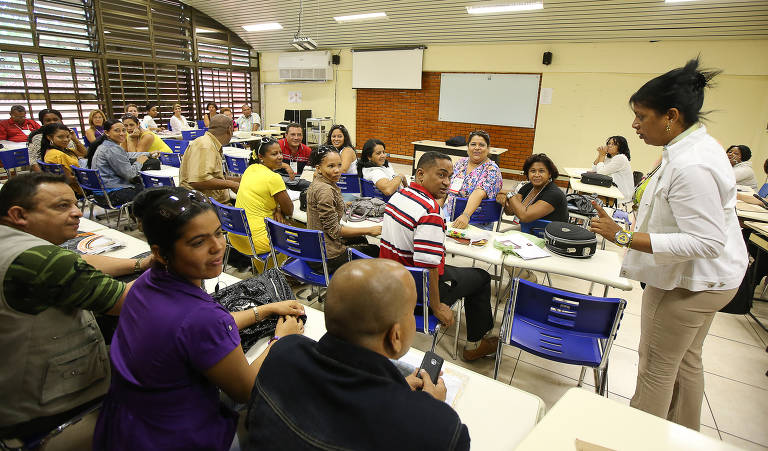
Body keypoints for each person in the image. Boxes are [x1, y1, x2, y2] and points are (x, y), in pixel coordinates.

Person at [589, 58, 748, 431]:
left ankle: (638, 438)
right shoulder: (693, 149)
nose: (634, 125)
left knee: (656, 368)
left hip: (693, 281)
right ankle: (683, 436)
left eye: (641, 116)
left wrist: (622, 236)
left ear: (671, 116)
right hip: (712, 278)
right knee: (687, 360)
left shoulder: (692, 163)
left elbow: (705, 241)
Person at [93, 187, 305, 450]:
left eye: (218, 233)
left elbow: (203, 329)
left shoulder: (145, 284)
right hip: (176, 438)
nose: (217, 247)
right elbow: (246, 389)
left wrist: (265, 309)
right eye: (198, 242)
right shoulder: (201, 318)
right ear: (160, 253)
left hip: (126, 424)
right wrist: (281, 339)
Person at [246, 258, 470, 450]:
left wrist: (398, 389)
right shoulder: (442, 430)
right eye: (411, 312)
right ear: (395, 336)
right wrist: (428, 410)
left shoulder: (283, 352)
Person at [0, 173, 151, 441]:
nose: (76, 213)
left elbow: (80, 261)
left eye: (74, 203)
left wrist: (140, 264)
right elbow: (128, 302)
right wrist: (173, 261)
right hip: (47, 409)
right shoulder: (41, 259)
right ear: (19, 214)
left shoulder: (15, 243)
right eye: (61, 206)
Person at [380, 151, 497, 361]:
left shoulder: (399, 195)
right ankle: (475, 344)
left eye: (450, 177)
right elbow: (429, 267)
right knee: (481, 278)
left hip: (390, 280)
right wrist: (436, 306)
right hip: (414, 290)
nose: (447, 183)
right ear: (421, 174)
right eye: (441, 175)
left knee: (460, 272)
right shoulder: (430, 211)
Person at [306, 146, 381, 273]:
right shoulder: (325, 190)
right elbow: (335, 231)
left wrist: (344, 204)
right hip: (326, 259)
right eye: (330, 166)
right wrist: (370, 230)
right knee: (374, 250)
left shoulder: (318, 182)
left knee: (360, 240)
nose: (337, 170)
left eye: (339, 165)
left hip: (314, 251)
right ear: (318, 168)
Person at [229, 138, 293, 259]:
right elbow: (289, 210)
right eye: (274, 154)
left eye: (280, 153)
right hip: (258, 242)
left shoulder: (249, 169)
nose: (280, 157)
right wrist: (280, 209)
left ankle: (265, 270)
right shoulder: (274, 178)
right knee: (297, 229)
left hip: (236, 237)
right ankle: (282, 274)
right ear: (261, 157)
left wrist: (278, 209)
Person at [445, 130, 503, 230]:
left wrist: (465, 215)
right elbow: (446, 186)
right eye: (473, 144)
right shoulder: (461, 163)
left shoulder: (492, 169)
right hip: (450, 213)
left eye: (481, 145)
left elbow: (479, 193)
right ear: (468, 147)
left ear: (488, 148)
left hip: (475, 221)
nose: (477, 148)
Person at [180, 114, 239, 204]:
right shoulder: (205, 146)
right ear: (229, 130)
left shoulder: (209, 142)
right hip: (202, 205)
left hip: (209, 202)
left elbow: (213, 176)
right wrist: (232, 185)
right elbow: (198, 181)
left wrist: (239, 180)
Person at [87, 119, 147, 206]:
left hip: (100, 194)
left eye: (123, 130)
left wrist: (148, 154)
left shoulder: (105, 145)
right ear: (107, 133)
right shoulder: (112, 149)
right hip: (111, 195)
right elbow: (130, 174)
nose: (122, 133)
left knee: (140, 184)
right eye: (117, 131)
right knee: (149, 188)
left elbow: (125, 155)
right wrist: (139, 162)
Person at [496, 153, 568, 224]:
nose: (536, 175)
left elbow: (525, 216)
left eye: (541, 171)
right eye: (533, 171)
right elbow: (511, 211)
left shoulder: (554, 194)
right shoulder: (528, 187)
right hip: (530, 229)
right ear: (528, 173)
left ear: (549, 174)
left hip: (548, 234)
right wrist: (503, 198)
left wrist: (510, 194)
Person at [39, 123, 83, 194]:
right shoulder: (57, 155)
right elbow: (69, 179)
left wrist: (75, 139)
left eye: (68, 136)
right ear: (49, 137)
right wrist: (87, 177)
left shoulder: (64, 150)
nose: (66, 140)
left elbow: (84, 154)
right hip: (75, 190)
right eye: (60, 137)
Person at [591, 135, 634, 203]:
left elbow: (600, 173)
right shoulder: (610, 157)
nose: (609, 146)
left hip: (621, 194)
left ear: (620, 147)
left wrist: (602, 155)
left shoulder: (621, 158)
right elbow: (594, 170)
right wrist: (600, 155)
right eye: (609, 143)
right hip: (612, 189)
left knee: (591, 196)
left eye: (613, 144)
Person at [276, 122, 312, 190]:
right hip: (278, 182)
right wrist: (285, 166)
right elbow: (266, 163)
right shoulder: (278, 145)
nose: (296, 138)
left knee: (315, 188)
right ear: (286, 135)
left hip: (295, 182)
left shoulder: (307, 150)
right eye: (292, 134)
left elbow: (314, 166)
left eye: (299, 135)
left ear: (302, 136)